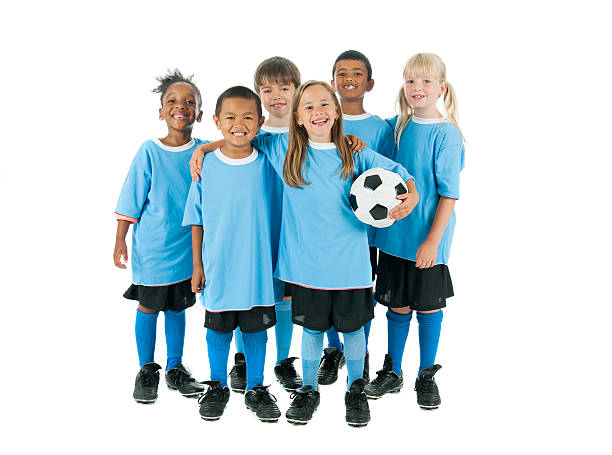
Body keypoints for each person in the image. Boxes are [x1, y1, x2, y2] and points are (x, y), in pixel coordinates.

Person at [190, 81, 418, 427]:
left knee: (354, 332)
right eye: (308, 107)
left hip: (350, 267)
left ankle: (355, 390)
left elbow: (401, 175)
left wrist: (412, 195)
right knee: (311, 332)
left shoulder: (354, 152)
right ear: (297, 117)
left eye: (325, 104)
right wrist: (204, 149)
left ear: (336, 110)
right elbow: (240, 138)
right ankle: (308, 390)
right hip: (307, 268)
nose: (318, 112)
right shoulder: (283, 148)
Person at [365, 53, 465, 410]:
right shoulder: (398, 127)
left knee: (428, 309)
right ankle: (392, 371)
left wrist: (432, 241)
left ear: (441, 87)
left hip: (426, 243)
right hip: (395, 239)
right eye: (410, 81)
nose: (416, 88)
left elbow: (449, 194)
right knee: (397, 307)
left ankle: (426, 374)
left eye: (425, 82)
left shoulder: (446, 134)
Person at [183, 86, 283, 422]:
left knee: (256, 328)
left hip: (257, 266)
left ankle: (255, 387)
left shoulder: (269, 161)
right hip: (219, 266)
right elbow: (196, 219)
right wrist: (197, 264)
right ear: (216, 121)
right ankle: (216, 385)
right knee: (219, 328)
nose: (238, 124)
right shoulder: (205, 165)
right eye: (230, 117)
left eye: (247, 117)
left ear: (260, 122)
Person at [113, 70, 205, 404]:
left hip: (187, 249)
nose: (180, 106)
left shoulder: (203, 153)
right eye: (172, 101)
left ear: (199, 112)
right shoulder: (149, 151)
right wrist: (120, 239)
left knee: (178, 309)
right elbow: (131, 198)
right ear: (161, 111)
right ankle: (147, 369)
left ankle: (175, 368)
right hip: (152, 248)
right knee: (149, 306)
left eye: (189, 102)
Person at [317, 50, 397, 384]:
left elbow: (388, 178)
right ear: (332, 80)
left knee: (361, 294)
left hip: (363, 232)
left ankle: (359, 353)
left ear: (370, 82)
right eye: (342, 73)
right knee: (327, 291)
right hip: (325, 227)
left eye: (357, 73)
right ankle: (332, 349)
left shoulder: (379, 128)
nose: (349, 78)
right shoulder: (323, 120)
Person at [228, 57, 303, 394]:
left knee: (286, 293)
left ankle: (283, 360)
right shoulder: (253, 134)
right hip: (254, 230)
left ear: (296, 91)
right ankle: (242, 359)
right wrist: (205, 150)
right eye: (267, 88)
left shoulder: (303, 133)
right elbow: (227, 147)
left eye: (285, 88)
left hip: (291, 229)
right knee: (249, 293)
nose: (277, 95)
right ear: (259, 93)